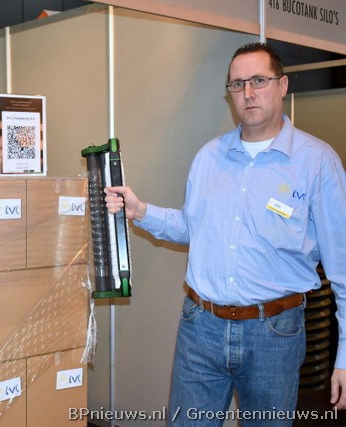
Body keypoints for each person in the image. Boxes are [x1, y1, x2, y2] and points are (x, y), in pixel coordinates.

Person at [104, 42, 346, 425]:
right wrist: (141, 212)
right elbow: (193, 228)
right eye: (237, 84)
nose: (248, 93)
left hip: (274, 335)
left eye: (258, 81)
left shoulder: (317, 163)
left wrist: (345, 356)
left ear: (282, 85)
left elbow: (342, 267)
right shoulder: (209, 157)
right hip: (201, 328)